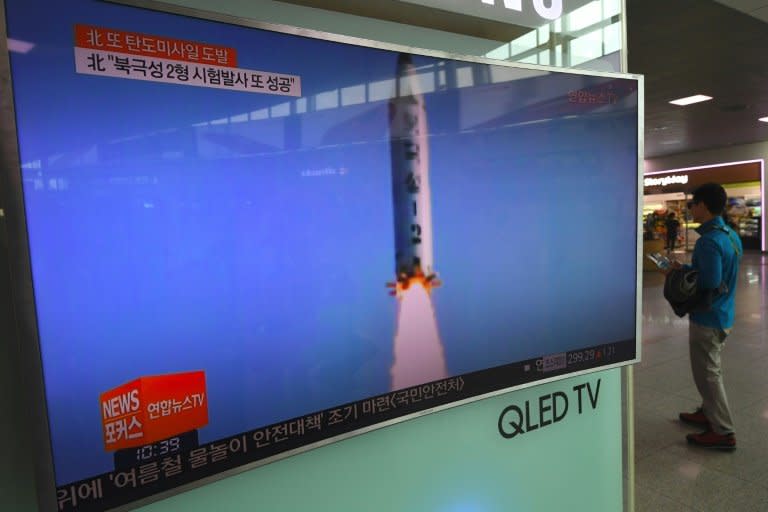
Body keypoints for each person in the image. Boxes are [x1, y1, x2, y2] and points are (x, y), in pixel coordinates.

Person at [674, 183, 742, 449]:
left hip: (707, 318)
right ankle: (707, 411)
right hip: (724, 314)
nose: (691, 209)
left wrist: (678, 276)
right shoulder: (729, 235)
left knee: (708, 373)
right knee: (709, 369)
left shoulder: (708, 241)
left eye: (693, 204)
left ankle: (723, 431)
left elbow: (709, 281)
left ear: (703, 205)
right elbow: (719, 272)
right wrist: (689, 267)